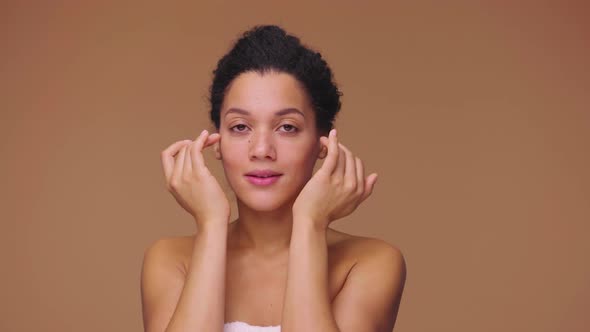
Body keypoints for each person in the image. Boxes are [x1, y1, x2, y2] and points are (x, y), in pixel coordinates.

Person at [141, 24, 406, 332]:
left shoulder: (370, 263)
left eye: (287, 127)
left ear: (323, 144)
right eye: (240, 127)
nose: (262, 150)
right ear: (217, 143)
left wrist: (309, 223)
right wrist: (211, 224)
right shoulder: (170, 260)